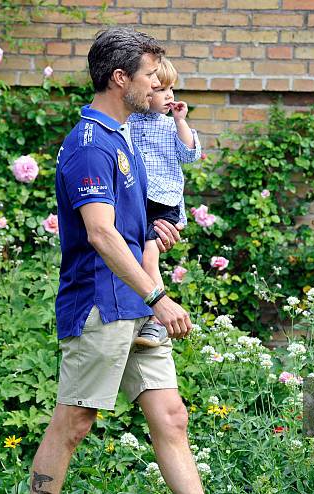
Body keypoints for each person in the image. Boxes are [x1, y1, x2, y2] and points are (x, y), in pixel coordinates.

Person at [15, 26, 286, 494]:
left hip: (135, 301)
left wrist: (156, 234)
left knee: (171, 417)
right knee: (74, 422)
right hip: (100, 303)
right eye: (146, 77)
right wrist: (158, 295)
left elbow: (131, 229)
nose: (154, 86)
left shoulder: (127, 138)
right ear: (121, 80)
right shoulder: (91, 145)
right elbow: (99, 234)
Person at [128, 57, 201, 348]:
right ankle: (148, 318)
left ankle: (157, 320)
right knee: (138, 256)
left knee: (149, 255)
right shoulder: (128, 121)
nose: (169, 95)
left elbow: (190, 156)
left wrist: (181, 121)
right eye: (160, 88)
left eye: (172, 88)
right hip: (139, 199)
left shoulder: (170, 125)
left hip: (164, 203)